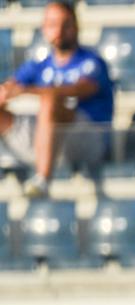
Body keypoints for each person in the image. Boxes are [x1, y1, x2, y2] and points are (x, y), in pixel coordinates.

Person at [0, 1, 114, 198]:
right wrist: (8, 93)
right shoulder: (38, 66)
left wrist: (27, 91)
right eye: (53, 24)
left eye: (65, 24)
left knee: (50, 101)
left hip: (87, 139)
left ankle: (43, 180)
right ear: (44, 28)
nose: (59, 31)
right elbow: (9, 89)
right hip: (42, 139)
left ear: (76, 26)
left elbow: (80, 89)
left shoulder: (91, 62)